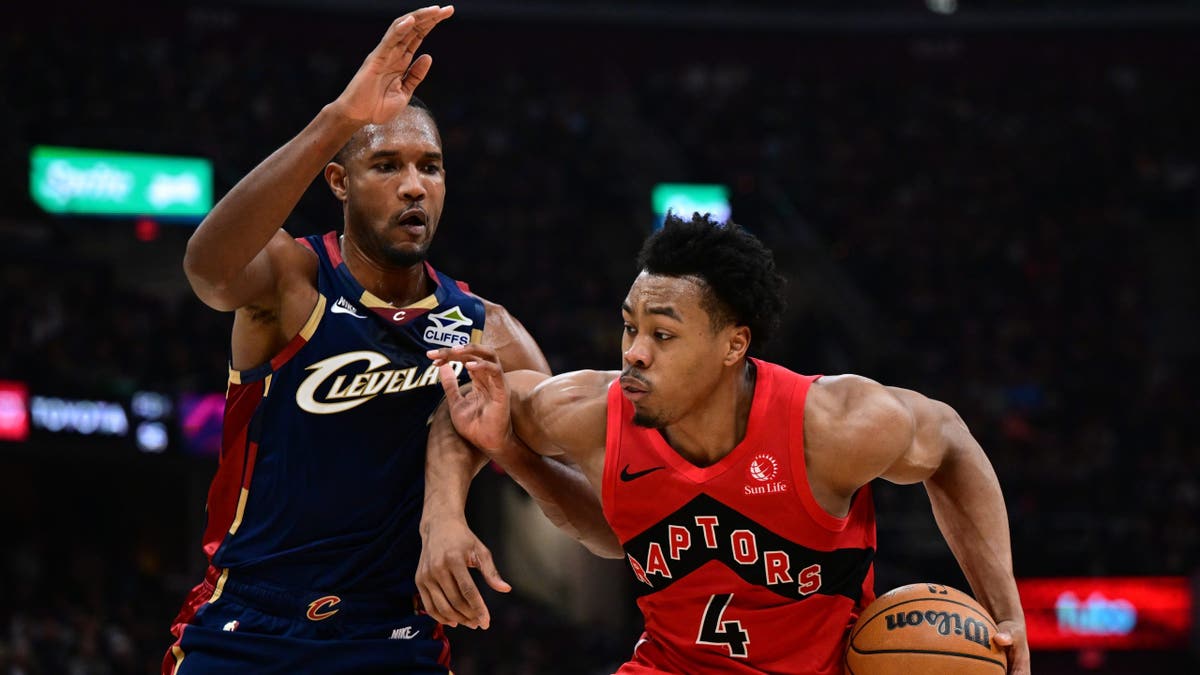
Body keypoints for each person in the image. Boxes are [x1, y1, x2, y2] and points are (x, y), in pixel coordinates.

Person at [164, 6, 617, 674]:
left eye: (430, 167)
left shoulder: (487, 328)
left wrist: (510, 455)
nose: (414, 185)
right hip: (247, 622)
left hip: (390, 633)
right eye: (386, 164)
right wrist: (339, 120)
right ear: (340, 181)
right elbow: (207, 268)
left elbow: (603, 528)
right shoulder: (294, 281)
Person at [418, 213, 1032, 674]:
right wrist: (448, 515)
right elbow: (469, 396)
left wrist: (1007, 613)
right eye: (630, 326)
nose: (633, 351)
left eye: (663, 334)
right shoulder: (590, 411)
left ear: (733, 346)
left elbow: (951, 442)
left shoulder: (832, 424)